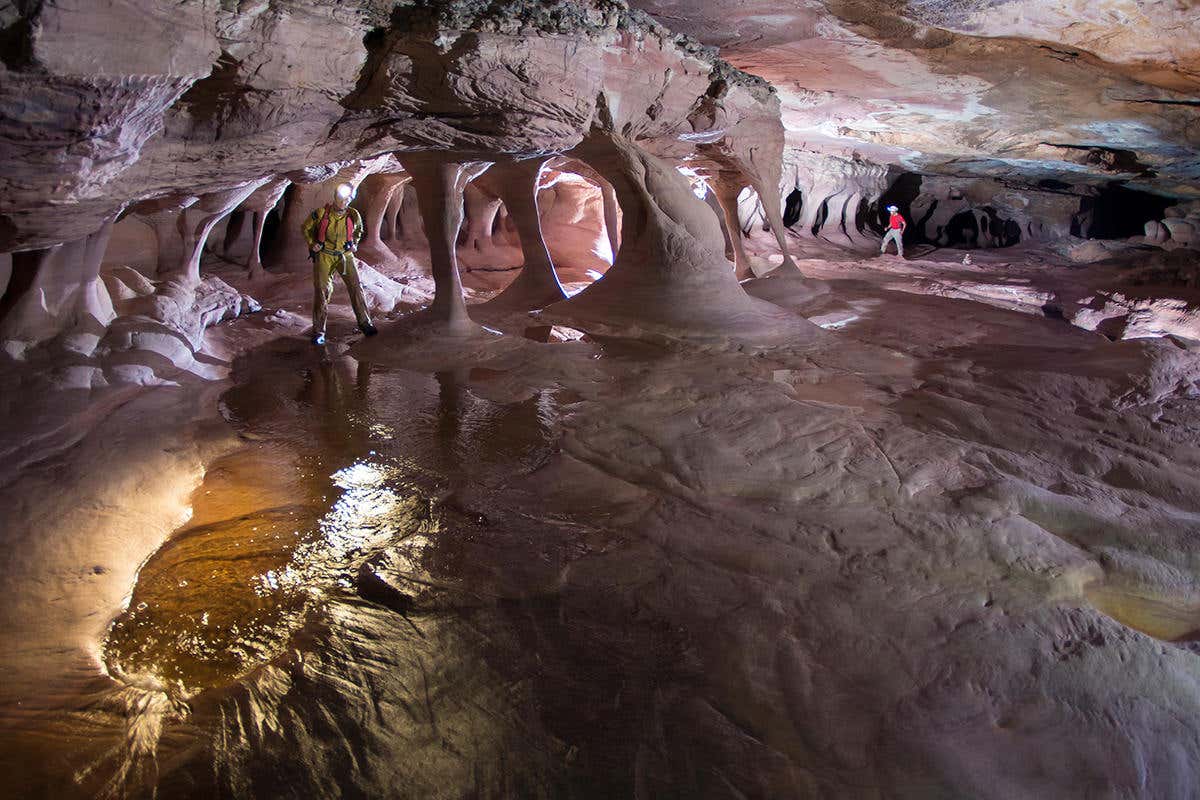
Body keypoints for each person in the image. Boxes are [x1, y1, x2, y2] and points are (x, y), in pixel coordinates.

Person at [301, 183, 377, 345]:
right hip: (325, 255)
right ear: (335, 197)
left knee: (356, 287)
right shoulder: (321, 214)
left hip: (345, 255)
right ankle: (319, 332)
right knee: (322, 291)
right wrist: (311, 243)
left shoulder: (353, 215)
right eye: (341, 197)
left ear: (351, 199)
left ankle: (365, 323)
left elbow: (359, 231)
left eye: (348, 198)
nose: (343, 200)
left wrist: (355, 243)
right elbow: (306, 228)